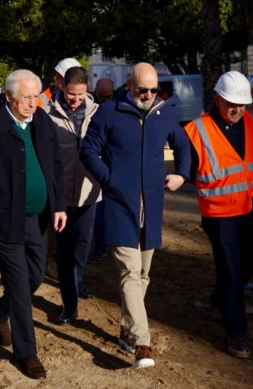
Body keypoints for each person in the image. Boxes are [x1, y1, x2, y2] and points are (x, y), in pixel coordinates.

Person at [79, 62, 191, 369]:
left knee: (143, 274)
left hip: (151, 207)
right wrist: (110, 180)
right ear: (129, 84)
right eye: (143, 90)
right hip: (119, 205)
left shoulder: (164, 113)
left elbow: (183, 145)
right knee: (129, 272)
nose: (149, 95)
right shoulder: (109, 112)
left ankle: (127, 331)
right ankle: (142, 342)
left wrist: (182, 174)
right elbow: (88, 151)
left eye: (155, 90)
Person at [0, 69, 67, 380]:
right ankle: (26, 352)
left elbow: (55, 166)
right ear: (9, 96)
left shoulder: (42, 121)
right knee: (20, 288)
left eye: (35, 97)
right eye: (26, 97)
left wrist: (59, 205)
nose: (32, 103)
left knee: (35, 276)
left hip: (38, 217)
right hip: (5, 220)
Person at [183, 71, 253, 359]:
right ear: (217, 99)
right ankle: (237, 333)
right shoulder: (197, 130)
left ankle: (222, 296)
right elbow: (189, 170)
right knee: (231, 271)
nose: (237, 109)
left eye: (242, 104)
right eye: (232, 103)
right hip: (220, 214)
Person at [44, 66, 100, 324]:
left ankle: (77, 280)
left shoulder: (98, 113)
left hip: (90, 192)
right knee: (64, 249)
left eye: (80, 94)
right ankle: (69, 304)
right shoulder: (47, 114)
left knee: (83, 244)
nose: (75, 100)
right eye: (71, 94)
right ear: (62, 87)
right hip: (61, 195)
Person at [88, 76, 116, 262]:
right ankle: (100, 246)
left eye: (108, 96)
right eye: (102, 96)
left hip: (111, 163)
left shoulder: (117, 107)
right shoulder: (90, 106)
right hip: (94, 162)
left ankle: (106, 244)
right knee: (98, 208)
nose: (105, 100)